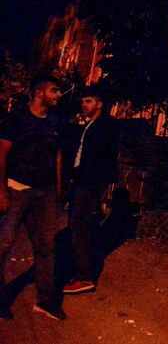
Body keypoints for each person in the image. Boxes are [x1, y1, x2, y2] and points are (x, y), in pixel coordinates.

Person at [0, 75, 66, 320]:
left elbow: (57, 156)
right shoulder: (15, 119)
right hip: (17, 188)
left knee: (46, 246)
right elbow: (2, 155)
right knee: (4, 244)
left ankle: (46, 301)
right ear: (39, 92)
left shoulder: (56, 122)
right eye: (54, 90)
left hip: (46, 191)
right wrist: (1, 191)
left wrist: (57, 190)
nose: (59, 95)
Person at [63, 85, 118, 295]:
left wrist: (83, 176)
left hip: (91, 181)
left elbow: (99, 156)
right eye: (83, 101)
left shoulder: (106, 125)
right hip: (82, 180)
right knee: (77, 224)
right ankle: (80, 271)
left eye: (88, 101)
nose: (84, 105)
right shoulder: (90, 124)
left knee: (78, 224)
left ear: (99, 104)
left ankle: (85, 276)